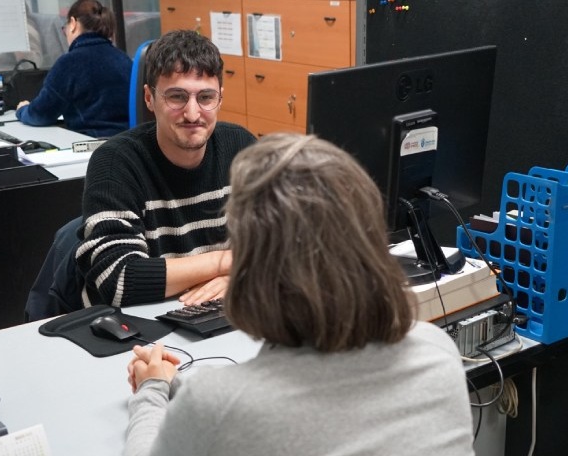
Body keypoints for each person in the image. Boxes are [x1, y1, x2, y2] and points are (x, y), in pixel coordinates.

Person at [123, 133, 477, 456]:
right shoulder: (436, 351)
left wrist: (151, 391)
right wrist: (180, 388)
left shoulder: (219, 405)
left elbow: (233, 412)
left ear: (251, 264)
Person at [75, 30, 256, 309]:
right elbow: (119, 279)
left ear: (220, 97)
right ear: (149, 98)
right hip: (136, 331)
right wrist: (232, 263)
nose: (193, 113)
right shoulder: (115, 162)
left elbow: (295, 244)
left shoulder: (241, 148)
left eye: (206, 97)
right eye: (176, 97)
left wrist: (240, 279)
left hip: (213, 314)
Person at [15, 0, 131, 137]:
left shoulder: (69, 63)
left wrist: (22, 110)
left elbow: (40, 114)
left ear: (73, 23)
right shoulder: (124, 59)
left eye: (65, 27)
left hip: (91, 145)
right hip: (127, 143)